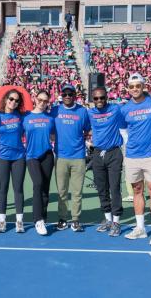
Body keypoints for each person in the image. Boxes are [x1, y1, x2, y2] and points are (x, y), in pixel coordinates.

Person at [121, 73, 151, 245]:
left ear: (143, 86)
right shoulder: (125, 109)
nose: (135, 89)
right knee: (136, 191)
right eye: (132, 86)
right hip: (132, 156)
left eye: (138, 85)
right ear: (128, 88)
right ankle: (140, 228)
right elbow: (123, 130)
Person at [52, 84, 90, 232]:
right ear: (61, 95)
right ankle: (62, 218)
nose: (67, 96)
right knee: (62, 191)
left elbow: (87, 130)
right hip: (61, 157)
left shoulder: (82, 111)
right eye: (65, 94)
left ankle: (75, 219)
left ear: (75, 95)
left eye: (70, 94)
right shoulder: (55, 110)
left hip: (78, 157)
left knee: (77, 191)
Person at [88, 86, 125, 236]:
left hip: (114, 153)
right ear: (92, 99)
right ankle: (108, 219)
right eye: (96, 98)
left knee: (115, 188)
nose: (99, 101)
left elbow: (130, 111)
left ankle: (116, 222)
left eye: (102, 97)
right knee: (102, 188)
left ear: (107, 97)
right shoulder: (90, 113)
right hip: (97, 154)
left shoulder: (115, 109)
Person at [0, 89, 26, 233]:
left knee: (18, 189)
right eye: (11, 99)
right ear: (6, 99)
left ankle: (19, 222)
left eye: (17, 101)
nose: (13, 102)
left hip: (18, 157)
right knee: (2, 189)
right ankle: (2, 221)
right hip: (2, 158)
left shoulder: (21, 116)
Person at [23, 90, 55, 235]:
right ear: (35, 99)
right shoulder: (26, 117)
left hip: (47, 155)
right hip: (31, 156)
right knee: (37, 184)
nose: (42, 103)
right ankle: (37, 220)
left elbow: (54, 135)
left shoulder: (50, 118)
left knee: (45, 188)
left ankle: (44, 216)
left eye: (45, 101)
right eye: (40, 100)